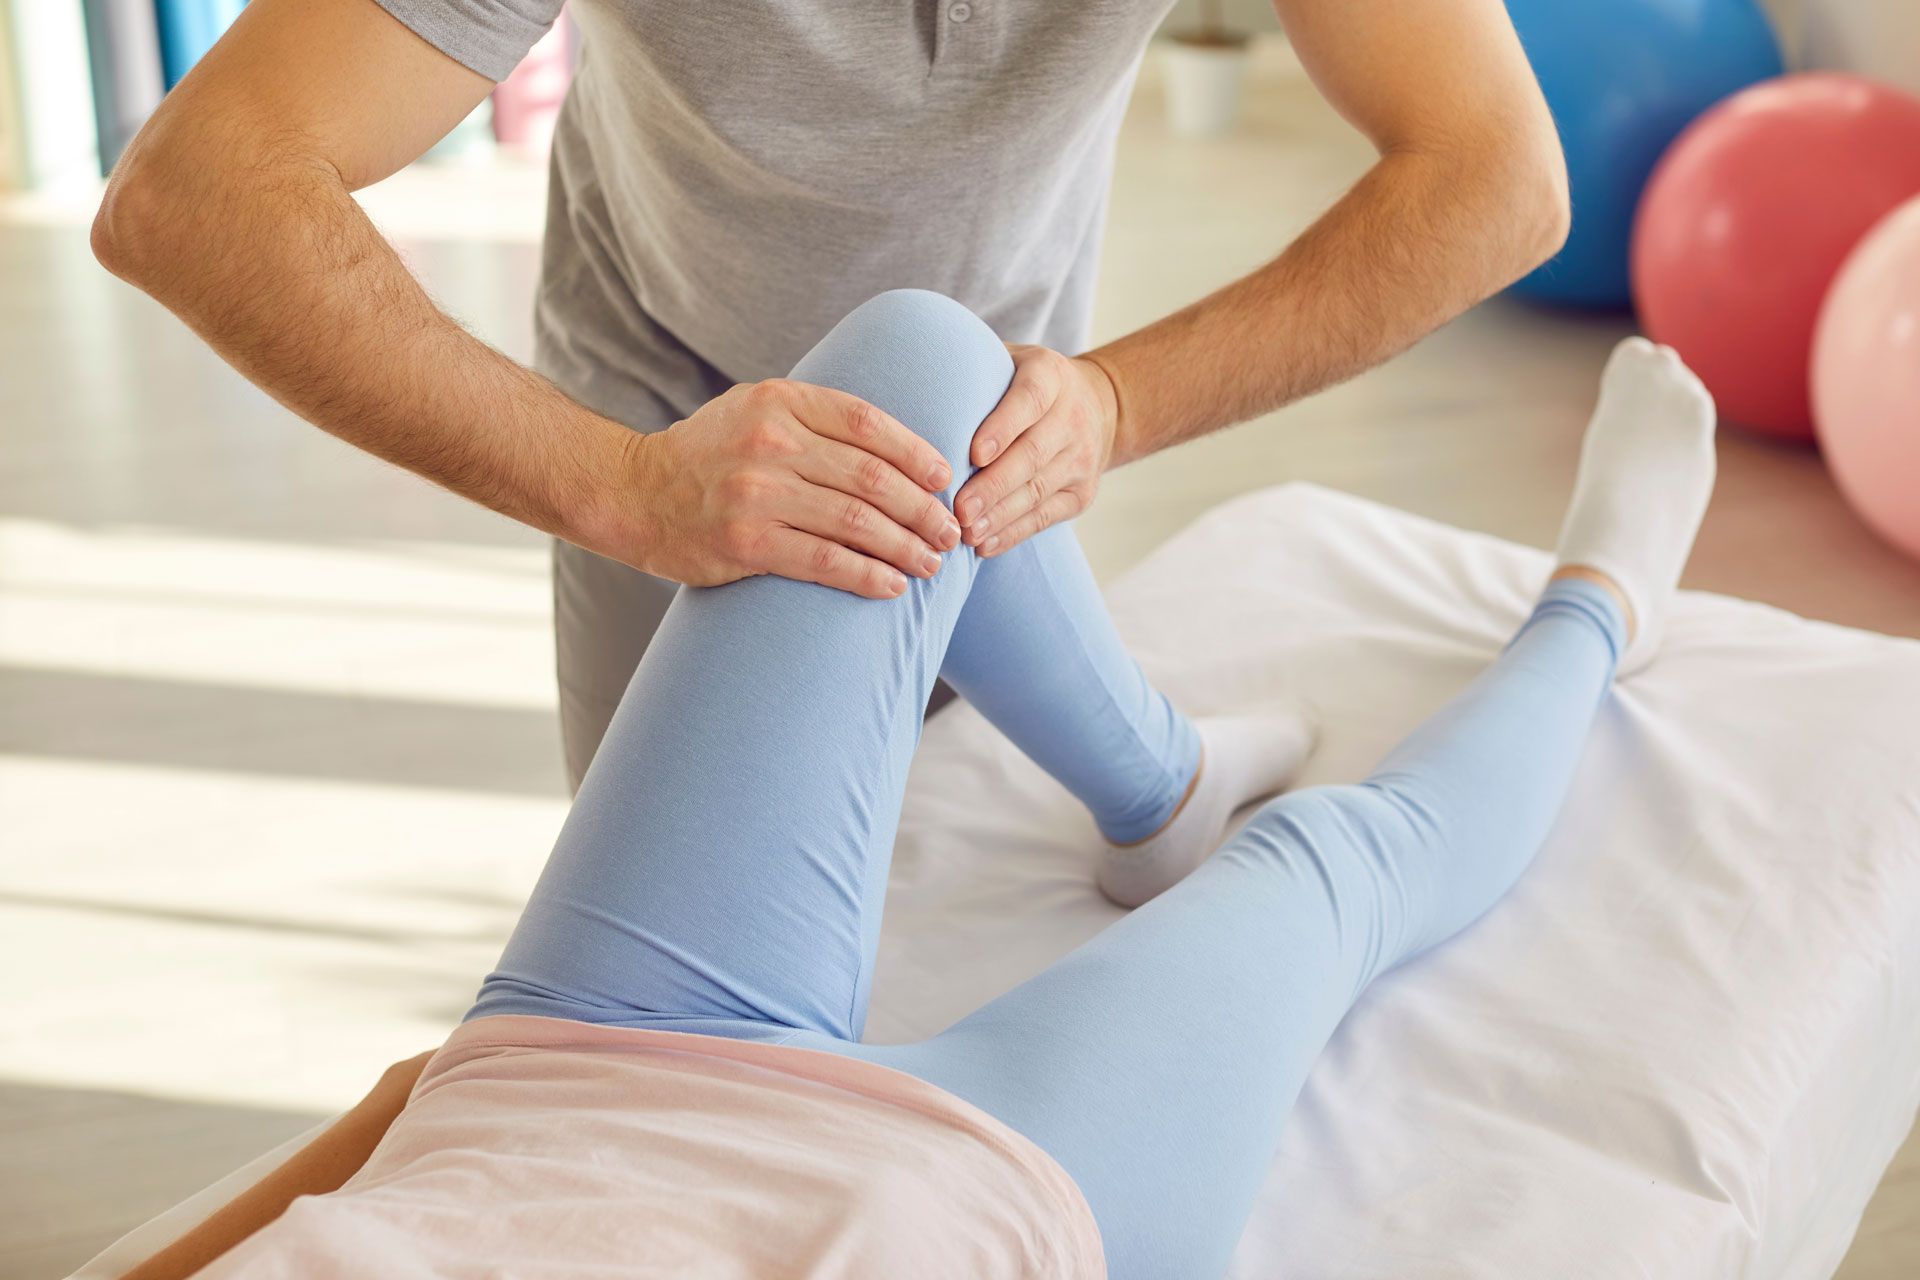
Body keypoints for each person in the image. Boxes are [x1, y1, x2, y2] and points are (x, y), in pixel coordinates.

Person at [120, 292, 1716, 1280]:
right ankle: (1602, 602)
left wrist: (411, 1115)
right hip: (953, 1197)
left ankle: (1156, 790)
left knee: (913, 380)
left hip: (554, 1093)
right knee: (1325, 871)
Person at [90, 0, 1573, 789]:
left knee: (970, 848)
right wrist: (625, 484)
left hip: (997, 411)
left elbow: (1495, 176)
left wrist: (1119, 404)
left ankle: (1165, 788)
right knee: (681, 965)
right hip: (659, 382)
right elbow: (196, 191)